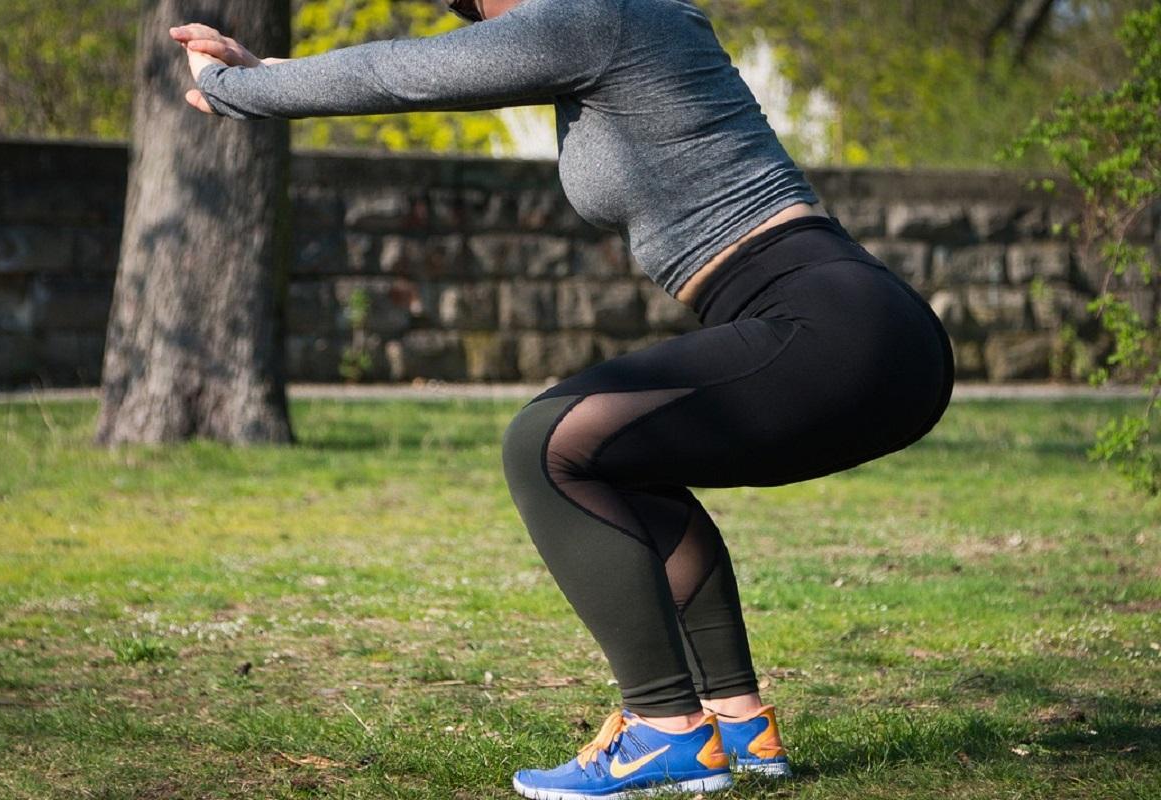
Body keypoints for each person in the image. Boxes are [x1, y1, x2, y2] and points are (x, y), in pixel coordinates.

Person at [172, 0, 955, 796]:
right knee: (624, 461)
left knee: (546, 444)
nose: (477, 15)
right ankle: (738, 725)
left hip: (830, 325)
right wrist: (262, 71)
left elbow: (399, 73)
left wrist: (239, 93)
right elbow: (417, 72)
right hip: (869, 331)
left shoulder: (599, 17)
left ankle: (663, 729)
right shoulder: (614, 25)